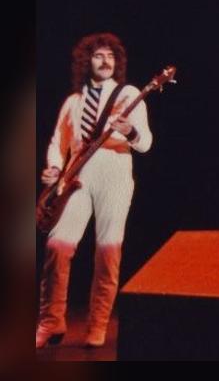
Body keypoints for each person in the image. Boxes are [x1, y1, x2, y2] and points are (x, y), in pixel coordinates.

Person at [36, 32, 153, 348]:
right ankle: (51, 322)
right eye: (99, 55)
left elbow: (146, 143)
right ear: (86, 61)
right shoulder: (73, 101)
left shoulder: (128, 95)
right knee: (57, 247)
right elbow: (58, 143)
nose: (105, 61)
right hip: (76, 178)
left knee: (108, 252)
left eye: (110, 56)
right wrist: (55, 168)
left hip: (114, 176)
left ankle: (97, 326)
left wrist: (129, 130)